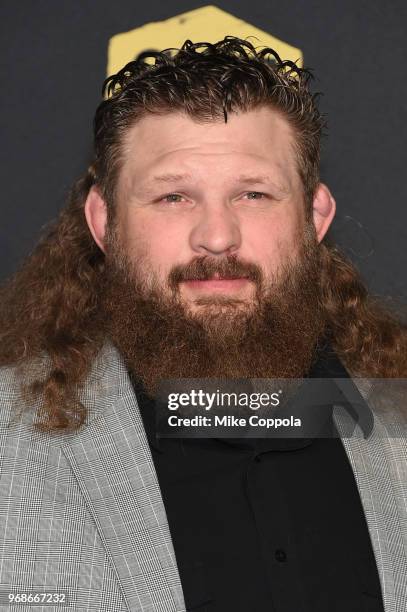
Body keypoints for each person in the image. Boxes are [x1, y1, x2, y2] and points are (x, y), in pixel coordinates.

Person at [0, 37, 406, 612]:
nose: (217, 236)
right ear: (104, 220)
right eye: (173, 197)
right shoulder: (9, 448)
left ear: (313, 216)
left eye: (254, 193)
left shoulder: (397, 429)